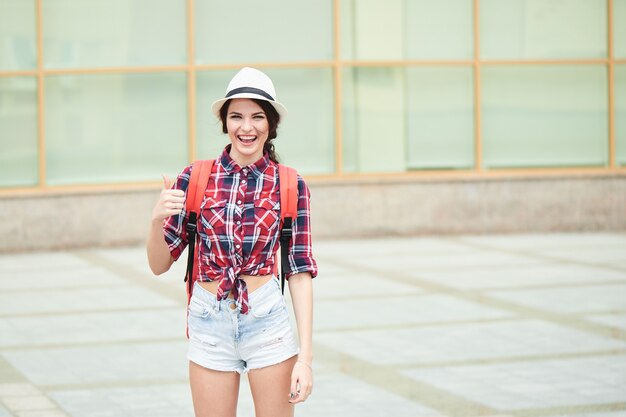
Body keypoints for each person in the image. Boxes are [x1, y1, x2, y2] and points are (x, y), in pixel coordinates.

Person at [147, 67, 317, 417]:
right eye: (236, 116)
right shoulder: (195, 177)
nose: (247, 127)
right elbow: (159, 264)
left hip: (266, 318)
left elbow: (299, 272)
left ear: (270, 125)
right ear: (225, 122)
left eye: (257, 117)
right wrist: (156, 220)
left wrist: (306, 359)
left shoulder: (290, 184)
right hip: (209, 322)